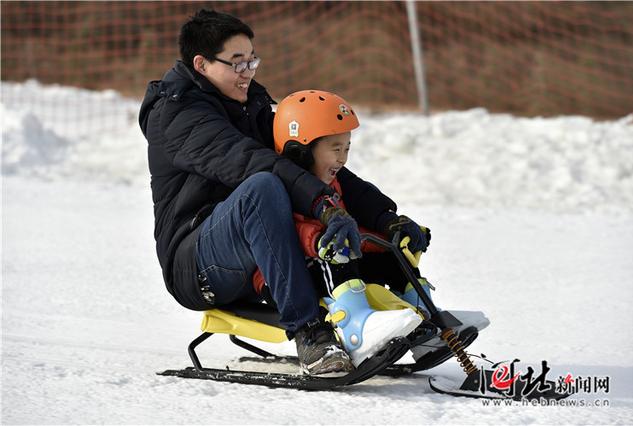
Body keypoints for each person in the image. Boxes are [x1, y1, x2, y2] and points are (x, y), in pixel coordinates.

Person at [138, 9, 428, 376]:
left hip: (256, 250)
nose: (248, 72)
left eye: (252, 61)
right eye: (237, 63)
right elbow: (247, 162)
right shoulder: (178, 115)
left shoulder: (250, 104)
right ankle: (309, 333)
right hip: (197, 262)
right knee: (262, 186)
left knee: (306, 164)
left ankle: (414, 314)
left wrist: (385, 217)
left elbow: (309, 164)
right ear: (202, 64)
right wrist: (322, 205)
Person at [271, 89, 491, 366]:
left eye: (347, 148)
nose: (342, 159)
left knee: (389, 256)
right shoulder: (286, 188)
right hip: (304, 270)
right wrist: (319, 241)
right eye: (335, 149)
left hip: (340, 258)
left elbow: (363, 208)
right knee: (337, 252)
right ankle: (356, 329)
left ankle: (425, 321)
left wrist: (390, 231)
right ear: (300, 152)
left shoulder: (334, 181)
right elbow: (288, 230)